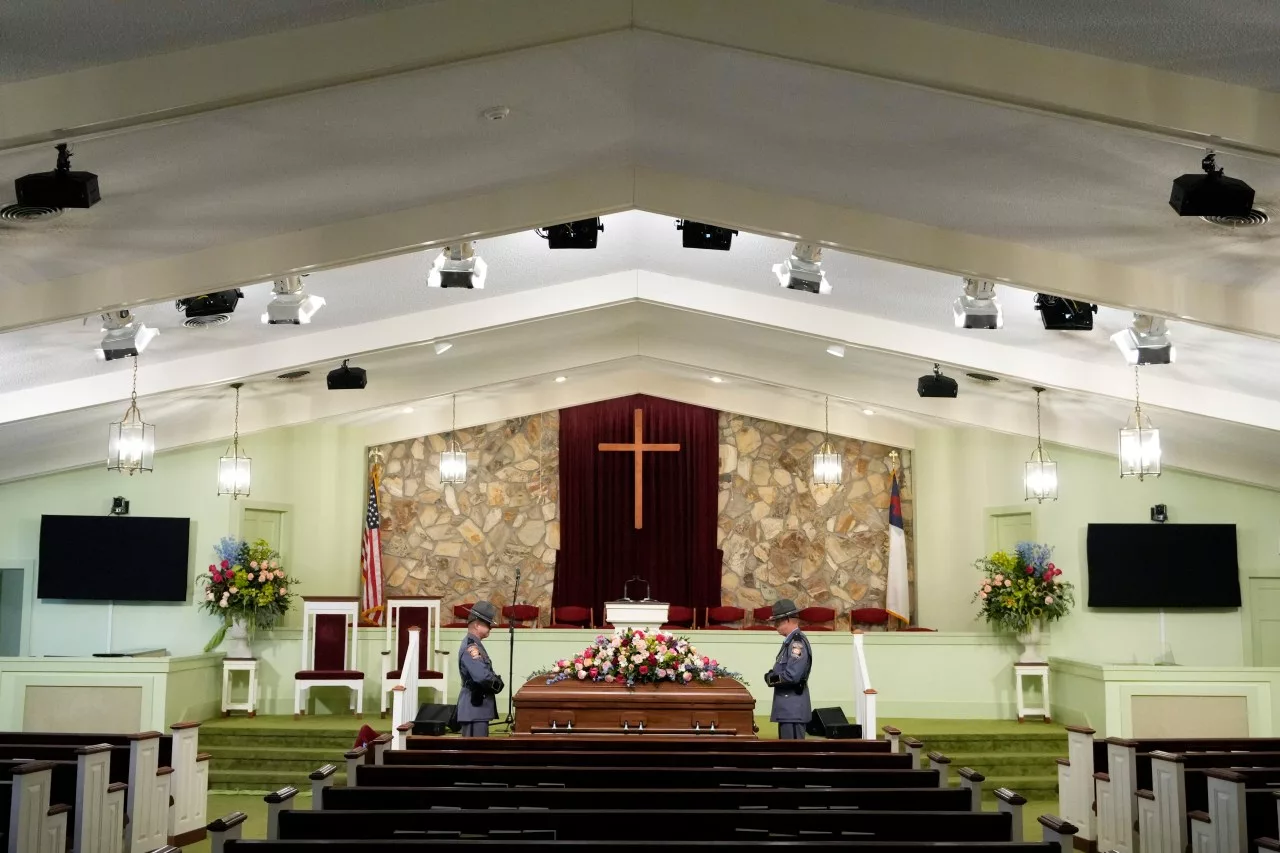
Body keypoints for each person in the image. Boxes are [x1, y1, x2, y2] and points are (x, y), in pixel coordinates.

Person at [763, 598, 812, 740]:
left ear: (788, 619)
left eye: (778, 621)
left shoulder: (797, 643)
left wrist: (770, 679)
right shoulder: (790, 642)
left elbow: (792, 676)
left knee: (793, 756)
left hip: (792, 709)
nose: (775, 625)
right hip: (789, 709)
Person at [456, 600, 504, 737]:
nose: (490, 628)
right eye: (487, 624)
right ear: (477, 625)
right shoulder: (471, 647)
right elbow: (482, 676)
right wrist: (496, 683)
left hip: (477, 708)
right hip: (475, 708)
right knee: (475, 753)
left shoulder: (475, 644)